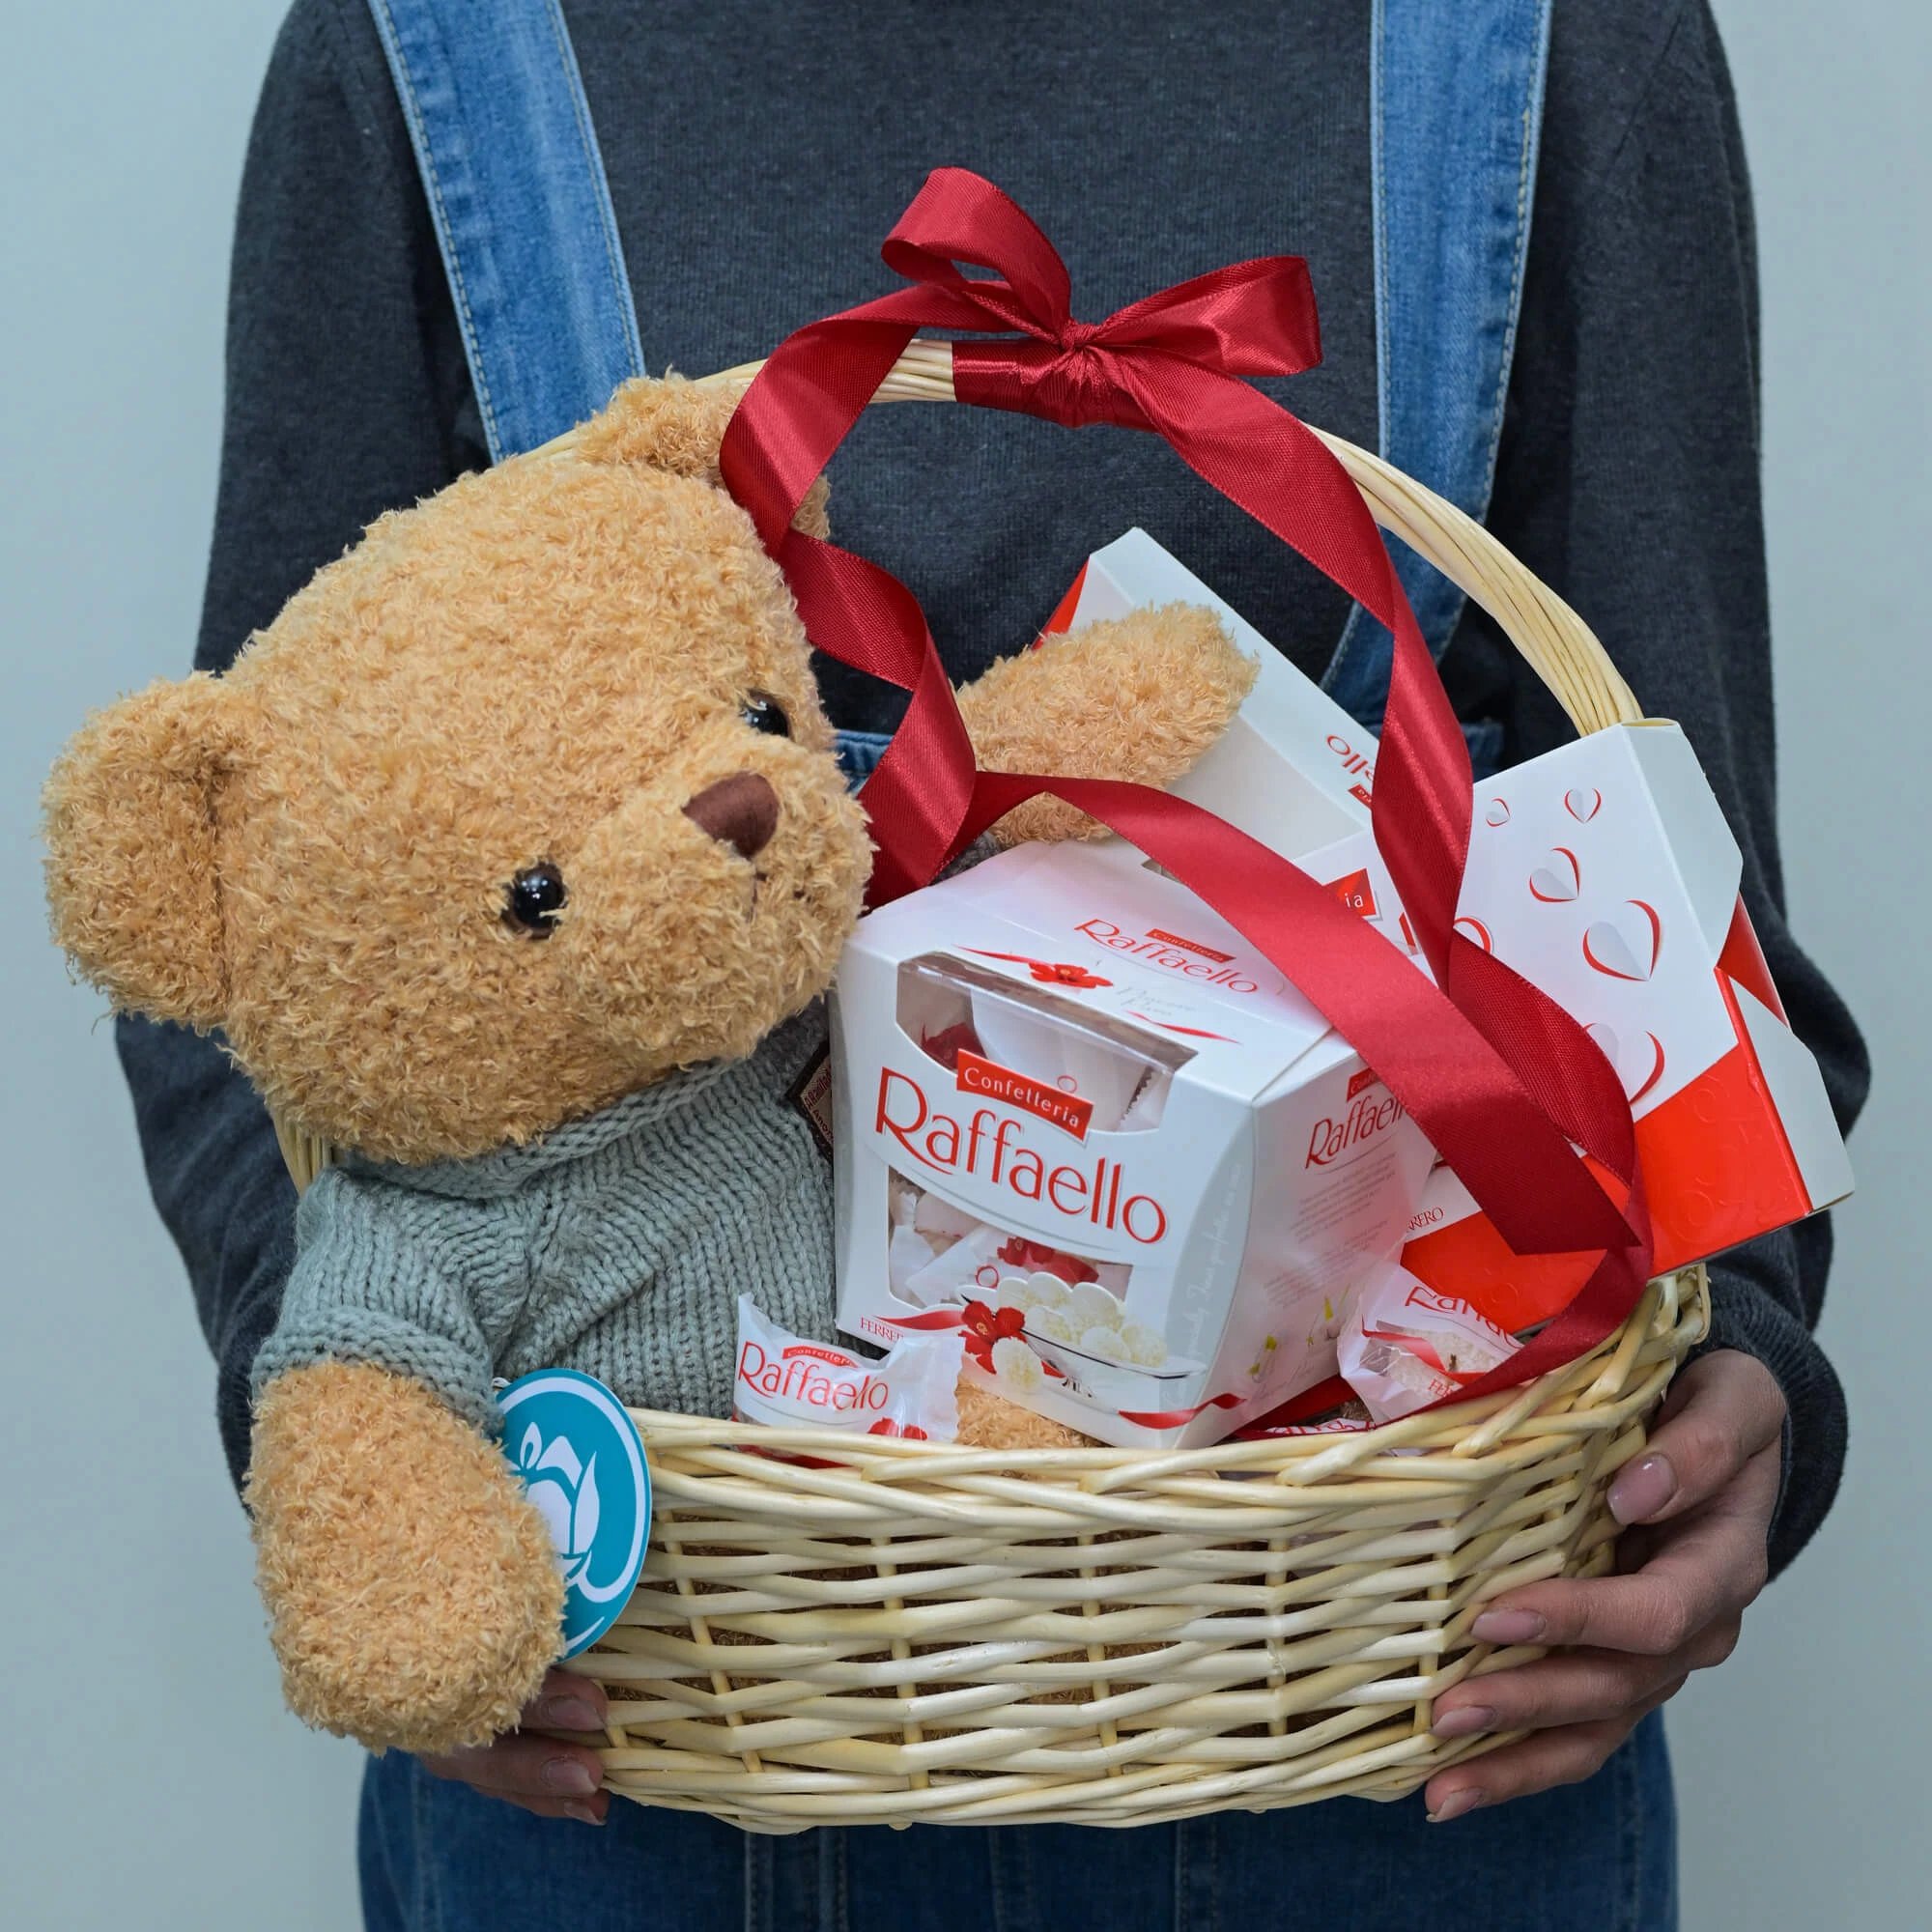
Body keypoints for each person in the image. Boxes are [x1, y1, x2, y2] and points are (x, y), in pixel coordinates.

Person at [115, 2, 1867, 1927]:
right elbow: (260, 896)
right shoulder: (427, 50)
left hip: (1391, 1698)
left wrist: (1743, 1371)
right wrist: (379, 1507)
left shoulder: (1549, 43)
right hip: (634, 1707)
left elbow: (1679, 871)